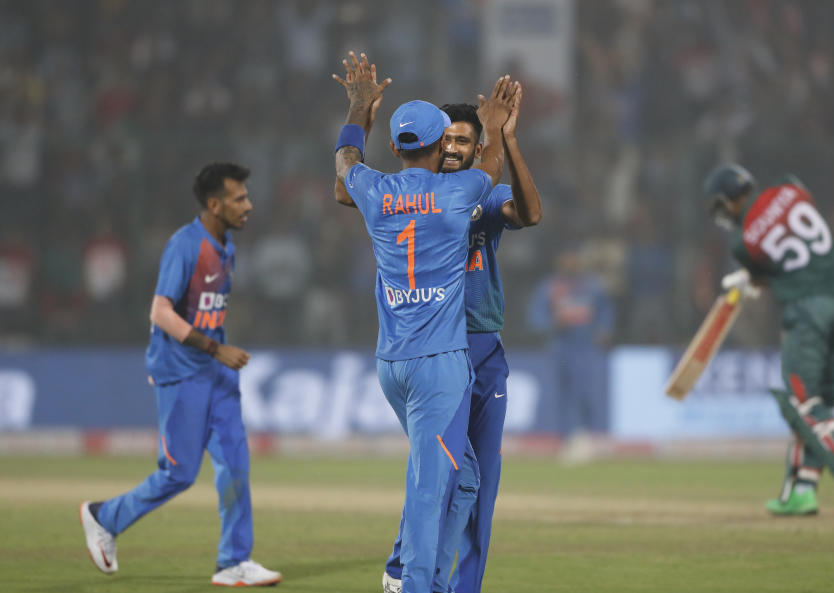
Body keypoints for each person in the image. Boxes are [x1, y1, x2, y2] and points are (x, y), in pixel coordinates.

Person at [332, 51, 515, 593]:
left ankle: (420, 579)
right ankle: (408, 583)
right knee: (431, 486)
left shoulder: (375, 191)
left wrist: (359, 108)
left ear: (394, 148)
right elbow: (491, 171)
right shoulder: (456, 192)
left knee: (465, 480)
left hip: (392, 364)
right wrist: (495, 128)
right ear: (442, 148)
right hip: (440, 364)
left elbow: (344, 161)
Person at [79, 163, 282, 586]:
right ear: (214, 204)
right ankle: (103, 517)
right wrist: (214, 348)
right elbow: (160, 311)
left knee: (235, 465)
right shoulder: (186, 245)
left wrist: (216, 352)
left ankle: (233, 561)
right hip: (182, 373)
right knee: (179, 473)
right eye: (239, 198)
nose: (249, 205)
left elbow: (206, 309)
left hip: (216, 374)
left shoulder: (227, 245)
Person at [383, 95, 543, 593]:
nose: (452, 148)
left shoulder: (485, 195)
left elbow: (530, 213)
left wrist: (509, 141)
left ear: (478, 151)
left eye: (463, 141)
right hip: (439, 353)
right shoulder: (415, 195)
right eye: (446, 138)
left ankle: (459, 587)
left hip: (485, 352)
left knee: (481, 485)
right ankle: (404, 571)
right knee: (446, 476)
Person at [702, 163, 834, 517]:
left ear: (728, 200)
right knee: (820, 404)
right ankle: (802, 490)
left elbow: (762, 277)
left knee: (802, 403)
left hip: (807, 310)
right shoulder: (791, 188)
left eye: (721, 205)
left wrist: (745, 282)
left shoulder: (742, 240)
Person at [528, 246, 615, 462]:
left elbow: (606, 311)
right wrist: (552, 324)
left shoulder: (592, 286)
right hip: (560, 346)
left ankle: (591, 437)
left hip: (586, 347)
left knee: (587, 392)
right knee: (564, 394)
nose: (571, 265)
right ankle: (569, 440)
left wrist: (603, 330)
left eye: (574, 260)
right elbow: (535, 317)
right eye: (567, 261)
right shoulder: (549, 287)